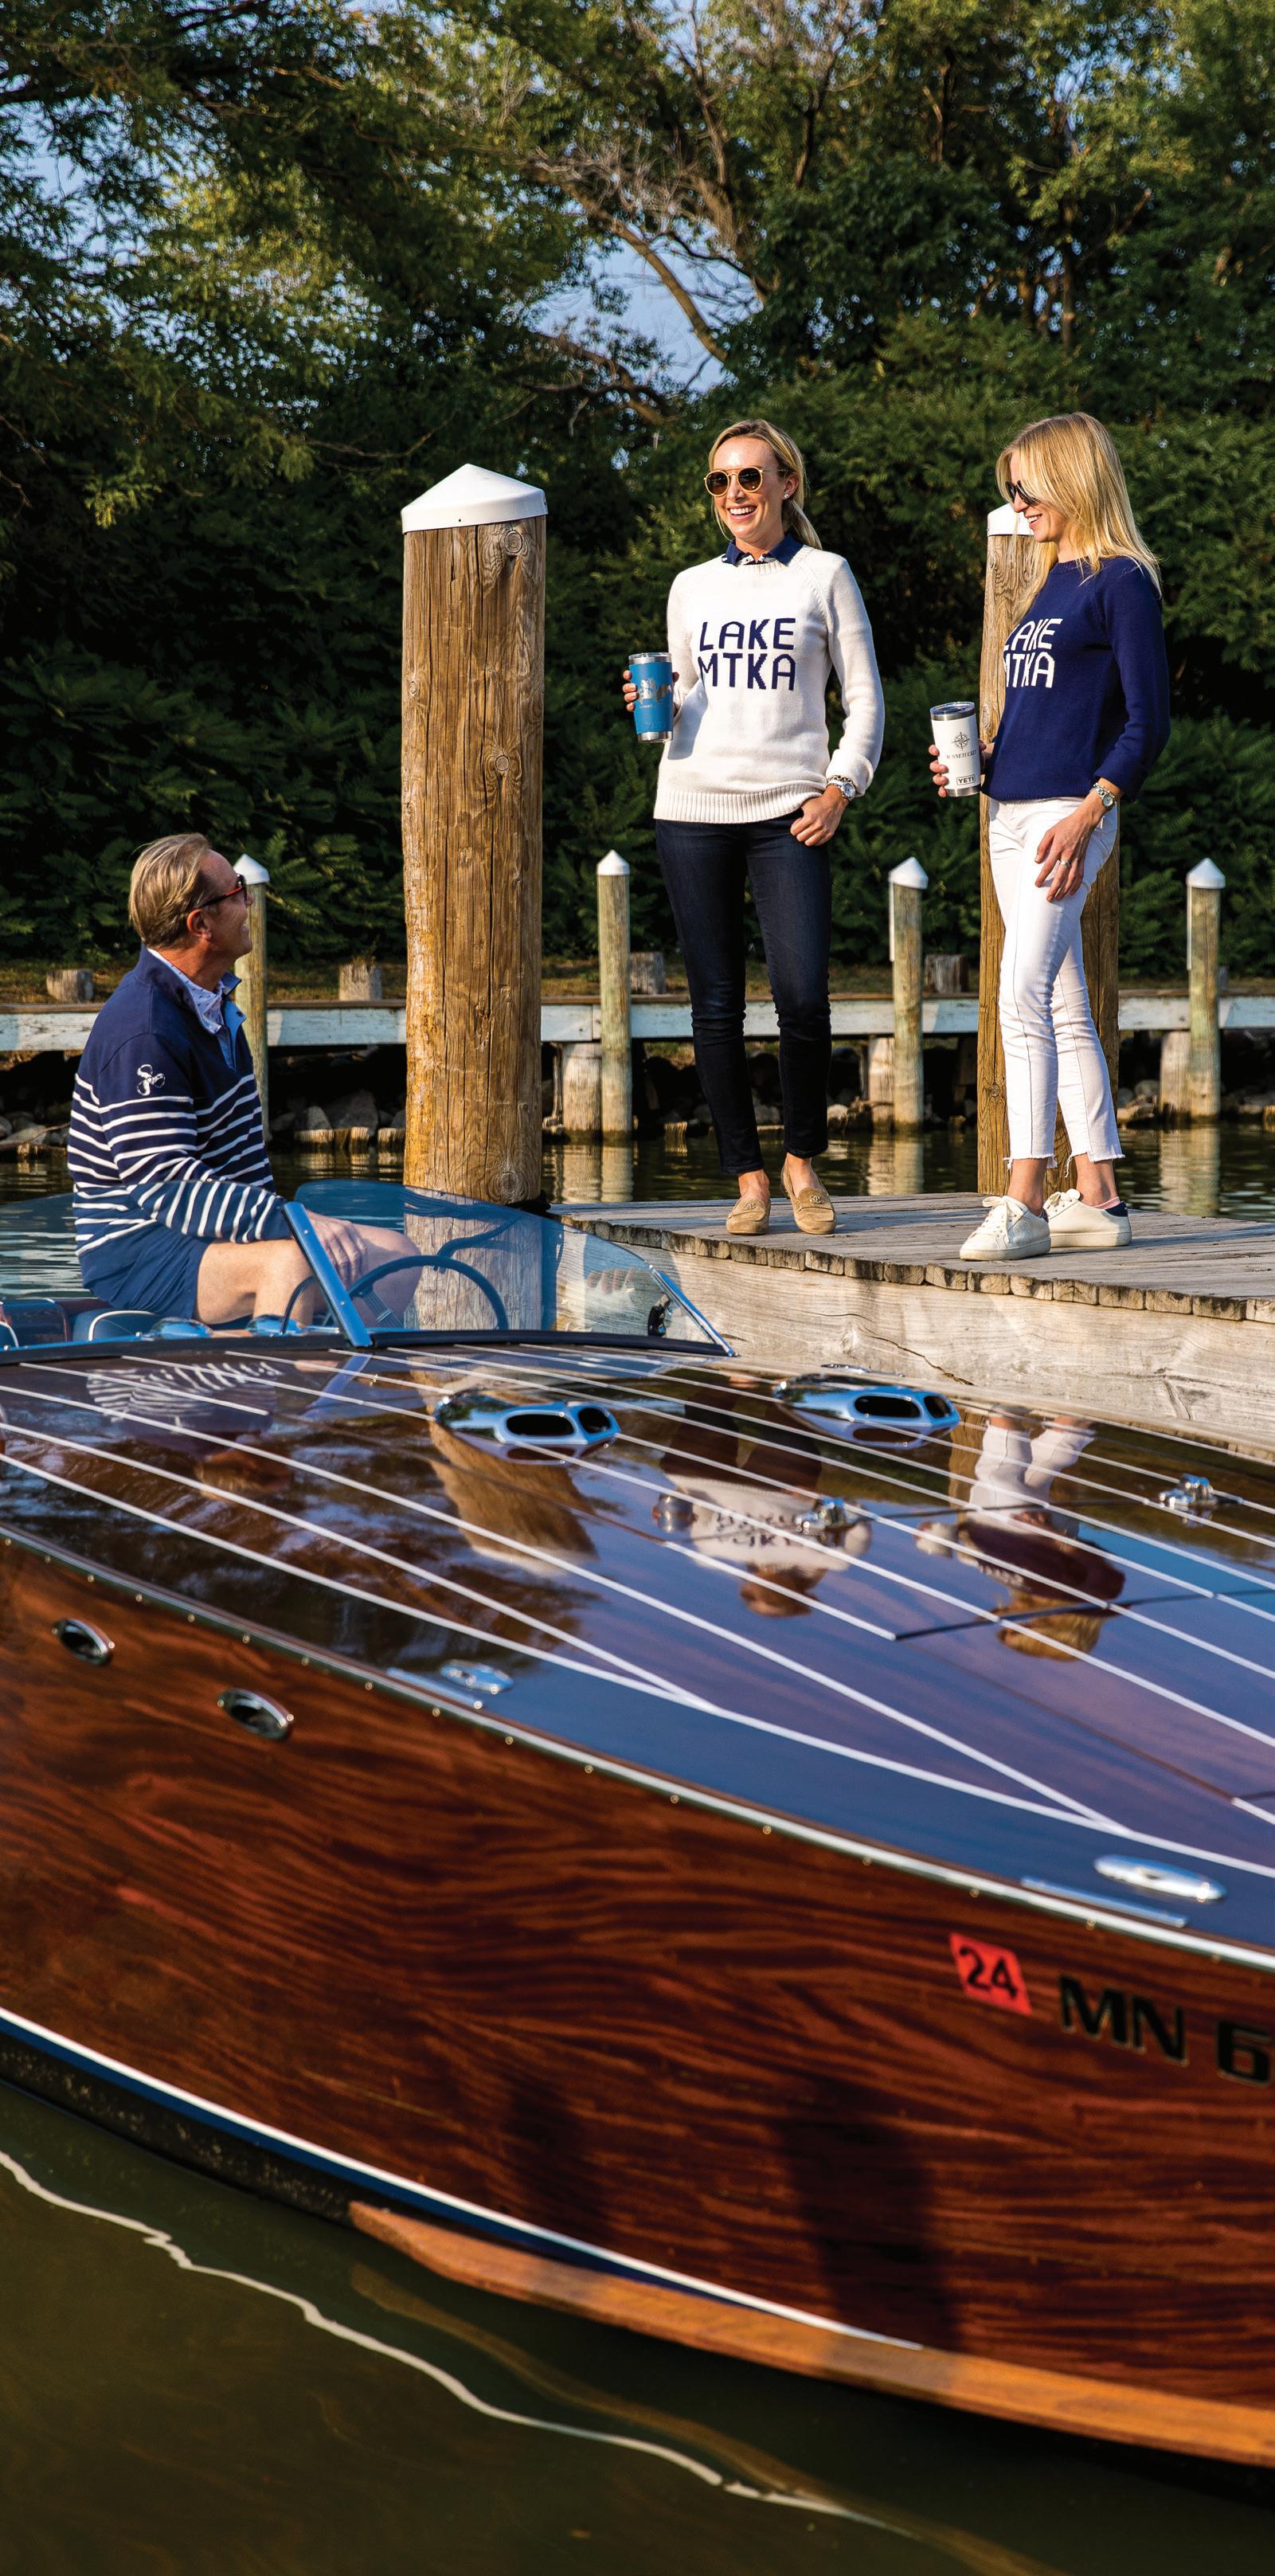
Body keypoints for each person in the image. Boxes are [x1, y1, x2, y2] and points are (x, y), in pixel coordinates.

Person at [623, 417, 883, 1239]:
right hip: (691, 808)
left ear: (784, 484)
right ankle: (747, 1178)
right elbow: (684, 697)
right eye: (719, 480)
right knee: (714, 1008)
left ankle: (801, 1161)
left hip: (789, 814)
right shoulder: (690, 586)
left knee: (802, 997)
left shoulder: (825, 575)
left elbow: (865, 700)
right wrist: (652, 708)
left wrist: (840, 787)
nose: (733, 492)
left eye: (749, 476)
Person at [931, 411, 1170, 1263]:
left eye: (1027, 486)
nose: (1017, 501)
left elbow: (1147, 723)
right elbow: (1045, 716)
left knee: (1019, 995)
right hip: (1008, 811)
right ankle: (1099, 1197)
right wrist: (977, 761)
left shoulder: (1121, 581)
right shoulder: (1047, 582)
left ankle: (1024, 1198)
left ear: (1072, 478)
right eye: (1011, 489)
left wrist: (1090, 809)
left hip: (1067, 818)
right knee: (1062, 1003)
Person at [68, 833, 412, 1325]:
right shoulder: (144, 1030)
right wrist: (294, 1225)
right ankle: (275, 1371)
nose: (250, 904)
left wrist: (290, 1226)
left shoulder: (214, 1007)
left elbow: (245, 1165)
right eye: (238, 893)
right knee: (289, 1264)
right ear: (201, 924)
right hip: (136, 1248)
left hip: (205, 1233)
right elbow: (166, 1185)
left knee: (396, 1258)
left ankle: (330, 1369)